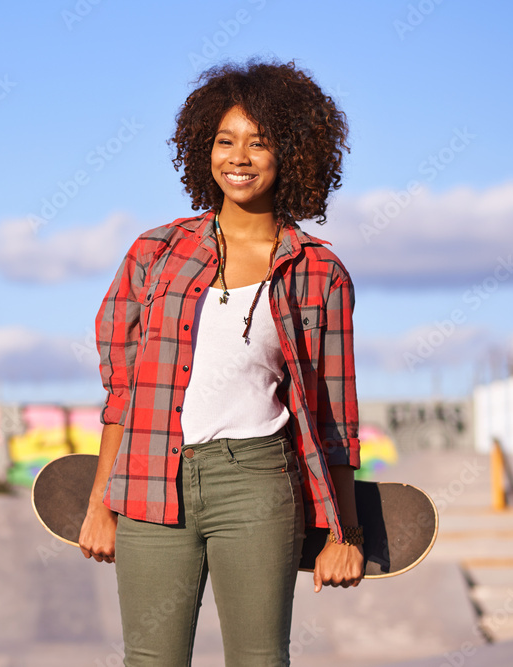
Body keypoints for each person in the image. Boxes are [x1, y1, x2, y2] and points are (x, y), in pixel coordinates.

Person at [79, 58, 364, 666]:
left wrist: (347, 532)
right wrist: (101, 502)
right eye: (225, 140)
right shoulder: (156, 254)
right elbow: (123, 394)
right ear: (202, 148)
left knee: (260, 661)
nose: (239, 156)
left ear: (291, 153)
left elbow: (334, 413)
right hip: (152, 478)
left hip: (258, 481)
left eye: (259, 143)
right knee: (150, 660)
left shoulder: (318, 272)